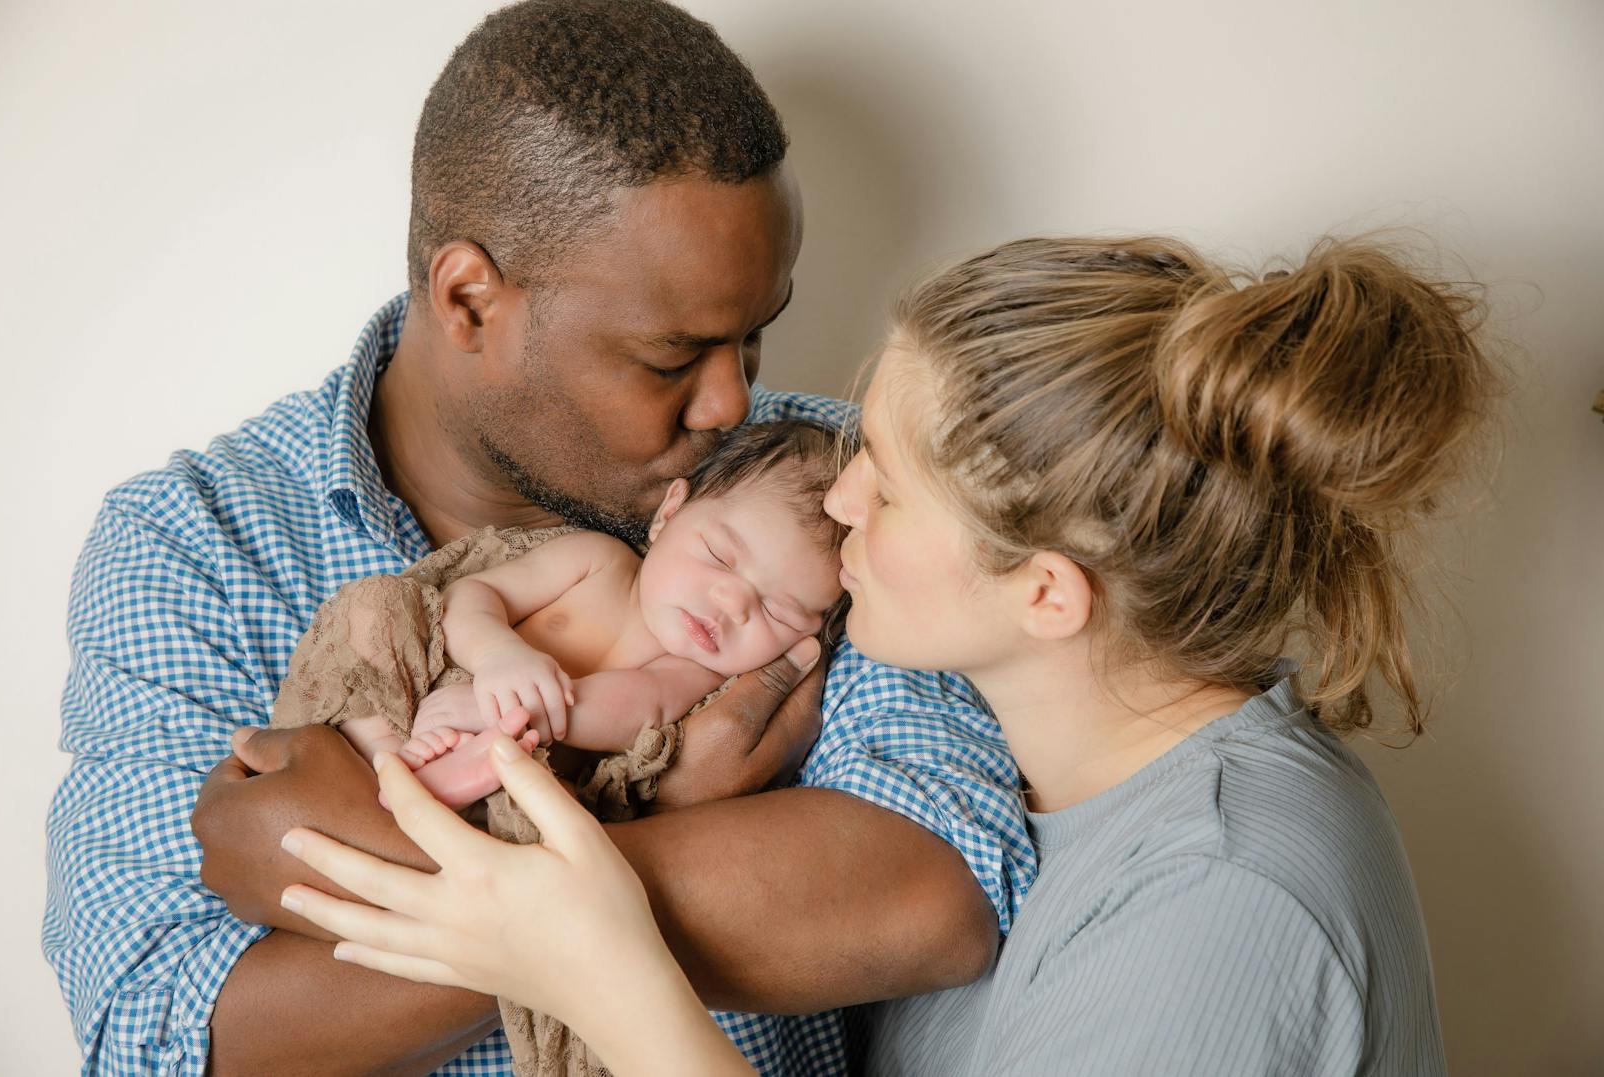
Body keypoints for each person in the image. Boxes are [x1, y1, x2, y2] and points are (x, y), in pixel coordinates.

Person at [42, 3, 1032, 1074]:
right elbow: (173, 1033)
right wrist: (682, 816)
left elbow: (937, 889)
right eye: (670, 357)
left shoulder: (817, 486)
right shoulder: (201, 544)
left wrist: (411, 869)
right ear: (469, 299)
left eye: (755, 337)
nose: (728, 405)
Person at [281, 233, 1500, 1075]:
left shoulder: (1226, 902)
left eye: (890, 487)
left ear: (1044, 594)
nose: (841, 503)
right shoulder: (1072, 790)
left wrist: (606, 977)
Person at [325, 420, 849, 805]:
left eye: (779, 611)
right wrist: (500, 657)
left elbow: (638, 709)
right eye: (718, 555)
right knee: (376, 609)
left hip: (516, 742)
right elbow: (475, 597)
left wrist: (507, 713)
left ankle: (442, 782)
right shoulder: (596, 559)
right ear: (670, 513)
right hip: (429, 679)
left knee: (554, 800)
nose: (733, 606)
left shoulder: (698, 670)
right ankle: (381, 747)